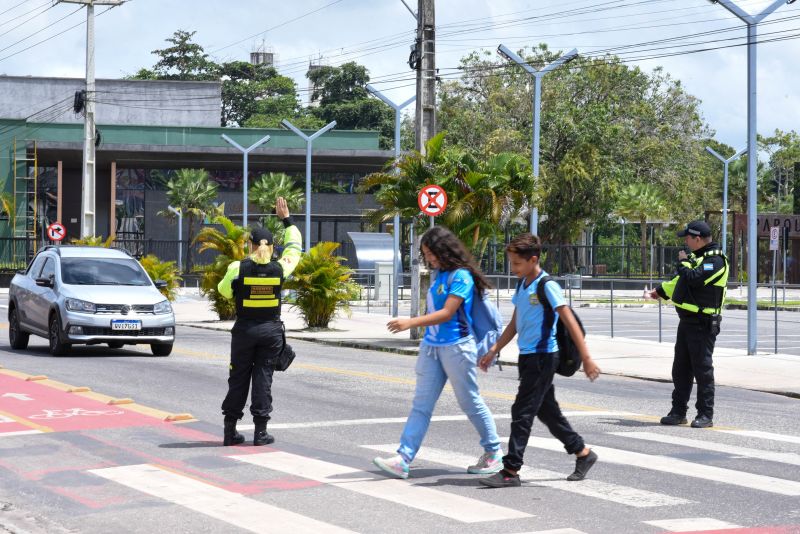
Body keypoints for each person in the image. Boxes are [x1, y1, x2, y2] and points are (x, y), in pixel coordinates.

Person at [372, 226, 503, 479]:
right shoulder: (439, 275)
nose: (429, 259)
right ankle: (403, 458)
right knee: (421, 405)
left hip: (457, 348)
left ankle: (493, 452)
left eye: (431, 253)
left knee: (470, 402)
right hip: (432, 349)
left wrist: (410, 323)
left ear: (445, 250)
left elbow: (447, 313)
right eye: (426, 254)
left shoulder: (461, 276)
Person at [477, 233, 601, 488]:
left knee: (521, 412)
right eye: (511, 263)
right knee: (547, 411)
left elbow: (568, 320)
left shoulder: (547, 286)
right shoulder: (523, 285)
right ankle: (583, 453)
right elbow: (515, 323)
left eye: (517, 264)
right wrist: (494, 349)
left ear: (533, 259)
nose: (513, 269)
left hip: (544, 357)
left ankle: (510, 470)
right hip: (528, 357)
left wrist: (586, 357)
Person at [217, 197, 302, 446]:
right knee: (264, 378)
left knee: (238, 378)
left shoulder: (238, 267)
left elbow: (224, 291)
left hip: (244, 331)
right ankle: (260, 432)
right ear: (273, 247)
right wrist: (287, 220)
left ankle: (230, 431)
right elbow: (295, 248)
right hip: (270, 332)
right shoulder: (281, 268)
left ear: (250, 246)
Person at [648, 220, 728, 429]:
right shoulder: (698, 259)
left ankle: (705, 414)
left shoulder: (716, 261)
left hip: (703, 323)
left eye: (687, 238)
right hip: (686, 321)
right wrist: (659, 292)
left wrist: (683, 263)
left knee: (702, 370)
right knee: (681, 369)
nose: (685, 241)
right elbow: (679, 282)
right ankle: (678, 412)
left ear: (698, 239)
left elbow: (693, 278)